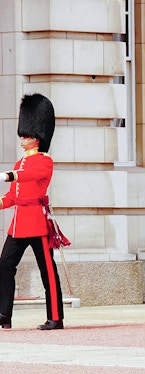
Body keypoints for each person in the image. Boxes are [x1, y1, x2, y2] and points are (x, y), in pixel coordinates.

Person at [0, 93, 64, 330]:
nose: (23, 138)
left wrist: (10, 175)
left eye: (27, 135)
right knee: (4, 266)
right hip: (19, 224)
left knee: (48, 271)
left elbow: (31, 176)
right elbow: (12, 197)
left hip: (37, 223)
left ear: (37, 138)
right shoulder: (19, 163)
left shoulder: (45, 161)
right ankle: (4, 313)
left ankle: (55, 317)